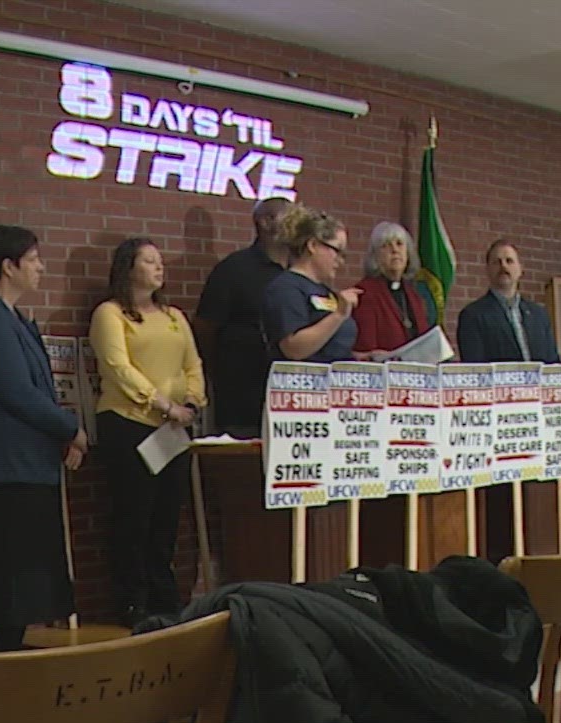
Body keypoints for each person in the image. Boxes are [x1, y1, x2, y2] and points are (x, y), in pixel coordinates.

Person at [0, 225, 85, 651]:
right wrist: (69, 427)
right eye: (32, 260)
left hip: (31, 466)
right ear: (8, 266)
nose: (40, 268)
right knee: (9, 588)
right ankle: (5, 668)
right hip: (4, 472)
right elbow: (16, 391)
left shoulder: (16, 319)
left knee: (32, 584)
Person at [90, 237, 205, 626]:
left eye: (160, 262)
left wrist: (190, 402)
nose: (159, 268)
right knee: (133, 517)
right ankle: (132, 602)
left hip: (173, 431)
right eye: (149, 261)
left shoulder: (174, 316)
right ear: (129, 268)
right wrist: (161, 403)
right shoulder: (110, 313)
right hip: (129, 426)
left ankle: (164, 599)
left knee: (167, 516)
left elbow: (193, 363)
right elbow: (118, 369)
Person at [195, 197, 291, 437]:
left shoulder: (299, 271)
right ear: (265, 222)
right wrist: (218, 374)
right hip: (242, 399)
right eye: (290, 217)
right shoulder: (233, 270)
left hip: (290, 398)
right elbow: (206, 327)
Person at [261, 205, 360, 364]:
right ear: (313, 245)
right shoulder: (286, 288)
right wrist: (339, 315)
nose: (340, 261)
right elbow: (293, 348)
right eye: (337, 250)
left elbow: (329, 346)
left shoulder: (326, 291)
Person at [455, 238, 558, 362]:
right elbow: (475, 368)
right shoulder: (472, 315)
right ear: (487, 270)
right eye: (497, 262)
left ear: (520, 269)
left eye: (509, 261)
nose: (503, 266)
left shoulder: (539, 315)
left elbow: (553, 363)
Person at [351, 220, 436, 356]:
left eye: (399, 244)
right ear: (375, 256)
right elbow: (366, 349)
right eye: (386, 245)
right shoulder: (366, 293)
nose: (395, 250)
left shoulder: (414, 295)